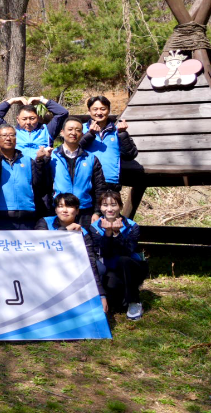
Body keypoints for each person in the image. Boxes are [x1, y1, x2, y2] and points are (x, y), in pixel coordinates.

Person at [35, 194, 108, 313]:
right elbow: (39, 246)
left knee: (99, 268)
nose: (64, 210)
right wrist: (65, 232)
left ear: (77, 210)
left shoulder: (83, 231)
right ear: (55, 209)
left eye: (69, 207)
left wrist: (101, 295)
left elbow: (90, 261)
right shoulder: (44, 222)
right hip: (46, 266)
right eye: (60, 206)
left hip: (71, 269)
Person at [0, 124, 51, 230]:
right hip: (2, 215)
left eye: (12, 135)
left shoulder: (28, 160)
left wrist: (40, 161)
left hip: (28, 214)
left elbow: (39, 184)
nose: (8, 138)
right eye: (4, 135)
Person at [92, 191, 148, 320]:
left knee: (124, 260)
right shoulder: (94, 228)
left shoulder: (132, 226)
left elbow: (129, 250)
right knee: (113, 294)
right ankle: (122, 300)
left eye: (114, 205)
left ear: (121, 207)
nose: (109, 209)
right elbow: (103, 252)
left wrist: (117, 234)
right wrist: (107, 233)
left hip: (133, 267)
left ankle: (134, 302)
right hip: (111, 269)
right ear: (100, 207)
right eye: (105, 205)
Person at [49, 118, 107, 226]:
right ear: (62, 132)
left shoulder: (91, 158)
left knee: (85, 242)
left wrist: (97, 212)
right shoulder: (52, 157)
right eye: (70, 129)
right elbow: (44, 186)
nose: (73, 133)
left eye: (78, 130)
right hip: (59, 210)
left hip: (84, 211)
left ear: (82, 133)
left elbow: (100, 187)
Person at [80, 96, 138, 191]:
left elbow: (130, 155)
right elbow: (73, 150)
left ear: (109, 110)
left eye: (103, 109)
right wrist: (90, 134)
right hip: (86, 181)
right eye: (95, 109)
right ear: (89, 111)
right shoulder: (81, 129)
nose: (99, 113)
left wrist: (123, 134)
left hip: (111, 182)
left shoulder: (118, 131)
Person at [0, 96, 69, 157]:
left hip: (42, 171)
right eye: (24, 119)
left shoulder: (47, 130)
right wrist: (12, 101)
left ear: (38, 118)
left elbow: (62, 113)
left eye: (32, 118)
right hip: (18, 169)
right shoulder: (11, 132)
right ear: (18, 119)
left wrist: (41, 100)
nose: (28, 122)